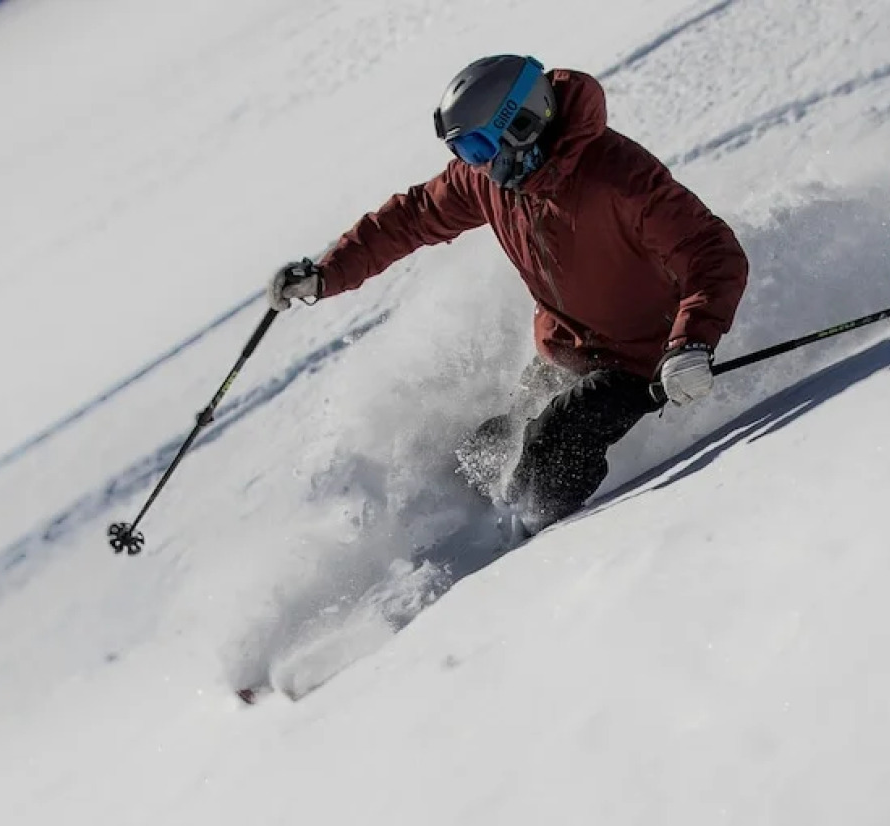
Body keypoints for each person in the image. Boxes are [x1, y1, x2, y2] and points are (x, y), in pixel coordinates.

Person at [266, 54, 749, 534]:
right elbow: (410, 217)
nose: (475, 166)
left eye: (479, 148)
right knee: (487, 449)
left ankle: (527, 556)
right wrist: (327, 273)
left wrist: (691, 342)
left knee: (548, 452)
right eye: (463, 153)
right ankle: (461, 534)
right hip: (568, 350)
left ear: (522, 123)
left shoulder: (618, 178)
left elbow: (713, 253)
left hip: (646, 358)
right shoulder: (490, 183)